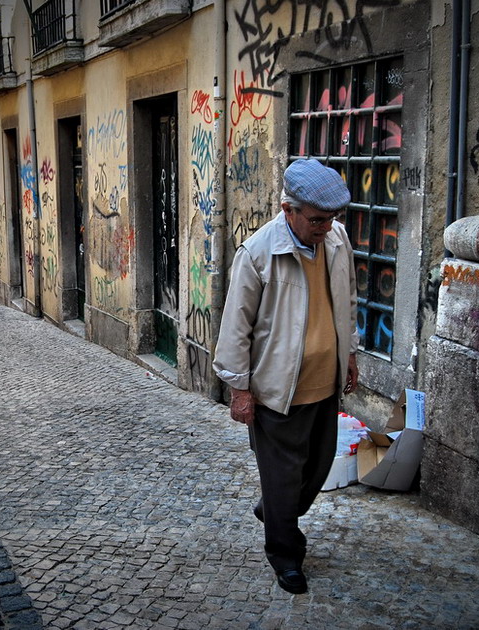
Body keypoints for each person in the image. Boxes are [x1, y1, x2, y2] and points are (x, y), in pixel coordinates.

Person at [213, 158, 359, 595]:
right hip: (278, 390)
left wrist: (349, 354)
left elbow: (346, 297)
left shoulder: (336, 240)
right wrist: (239, 389)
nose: (326, 227)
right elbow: (235, 326)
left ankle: (274, 509)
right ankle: (285, 555)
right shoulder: (258, 252)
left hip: (324, 383)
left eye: (332, 218)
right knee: (283, 476)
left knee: (315, 470)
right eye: (317, 219)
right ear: (287, 209)